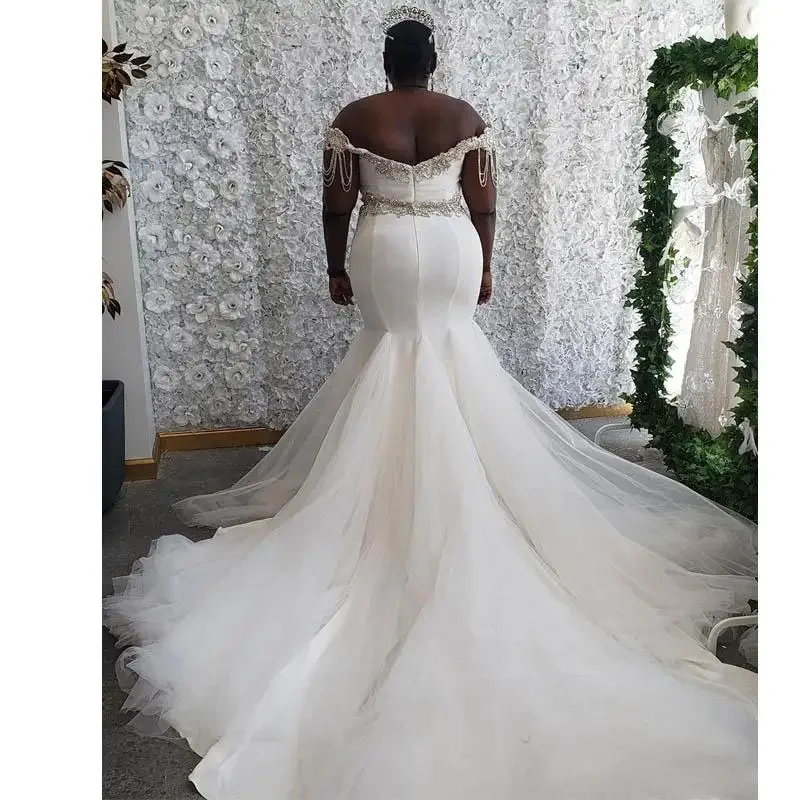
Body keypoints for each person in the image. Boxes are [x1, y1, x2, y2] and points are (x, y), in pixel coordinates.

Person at [105, 8, 757, 800]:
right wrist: (483, 264)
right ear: (432, 60)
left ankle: (388, 504)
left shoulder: (356, 116)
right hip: (449, 247)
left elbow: (336, 206)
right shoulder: (463, 116)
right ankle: (459, 492)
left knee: (392, 351)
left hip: (383, 246)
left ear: (389, 62)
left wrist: (336, 267)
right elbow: (484, 203)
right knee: (447, 352)